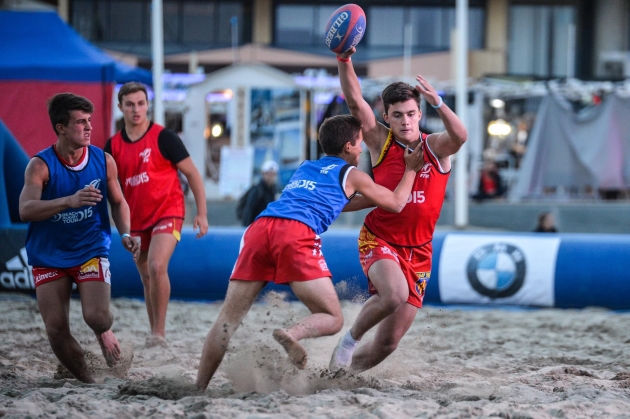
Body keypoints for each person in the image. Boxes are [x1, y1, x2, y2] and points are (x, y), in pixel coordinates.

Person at [196, 114, 426, 390]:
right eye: (360, 143)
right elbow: (398, 203)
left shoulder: (306, 168)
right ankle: (291, 334)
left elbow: (333, 202)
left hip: (260, 228)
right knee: (333, 318)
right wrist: (411, 169)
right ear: (349, 146)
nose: (363, 148)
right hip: (296, 233)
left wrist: (372, 201)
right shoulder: (352, 174)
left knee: (227, 320)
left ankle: (198, 388)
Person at [328, 47, 467, 374]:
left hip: (419, 251)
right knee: (392, 294)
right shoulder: (381, 142)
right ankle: (348, 341)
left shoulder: (435, 146)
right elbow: (354, 102)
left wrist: (439, 102)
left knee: (388, 344)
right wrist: (344, 59)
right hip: (380, 238)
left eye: (410, 113)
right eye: (398, 115)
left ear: (419, 114)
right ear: (386, 116)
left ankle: (339, 376)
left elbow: (460, 136)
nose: (405, 121)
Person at [19, 93, 140, 383]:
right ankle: (89, 381)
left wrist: (125, 232)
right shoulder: (40, 165)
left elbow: (119, 201)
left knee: (96, 317)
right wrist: (69, 201)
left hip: (90, 249)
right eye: (80, 122)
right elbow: (25, 210)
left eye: (89, 121)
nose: (88, 128)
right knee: (56, 328)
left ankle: (104, 331)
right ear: (61, 128)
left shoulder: (102, 159)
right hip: (49, 254)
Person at [104, 82, 209, 347]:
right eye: (130, 104)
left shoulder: (164, 137)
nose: (136, 109)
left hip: (168, 211)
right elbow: (108, 189)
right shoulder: (112, 146)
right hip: (135, 220)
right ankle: (154, 332)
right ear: (120, 108)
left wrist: (202, 213)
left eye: (140, 103)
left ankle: (158, 335)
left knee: (156, 265)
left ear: (148, 105)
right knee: (147, 277)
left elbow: (193, 174)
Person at [239, 160, 279, 226]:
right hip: (255, 227)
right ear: (263, 174)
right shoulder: (257, 190)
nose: (270, 177)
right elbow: (248, 210)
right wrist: (246, 228)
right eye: (268, 174)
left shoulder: (274, 190)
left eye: (273, 174)